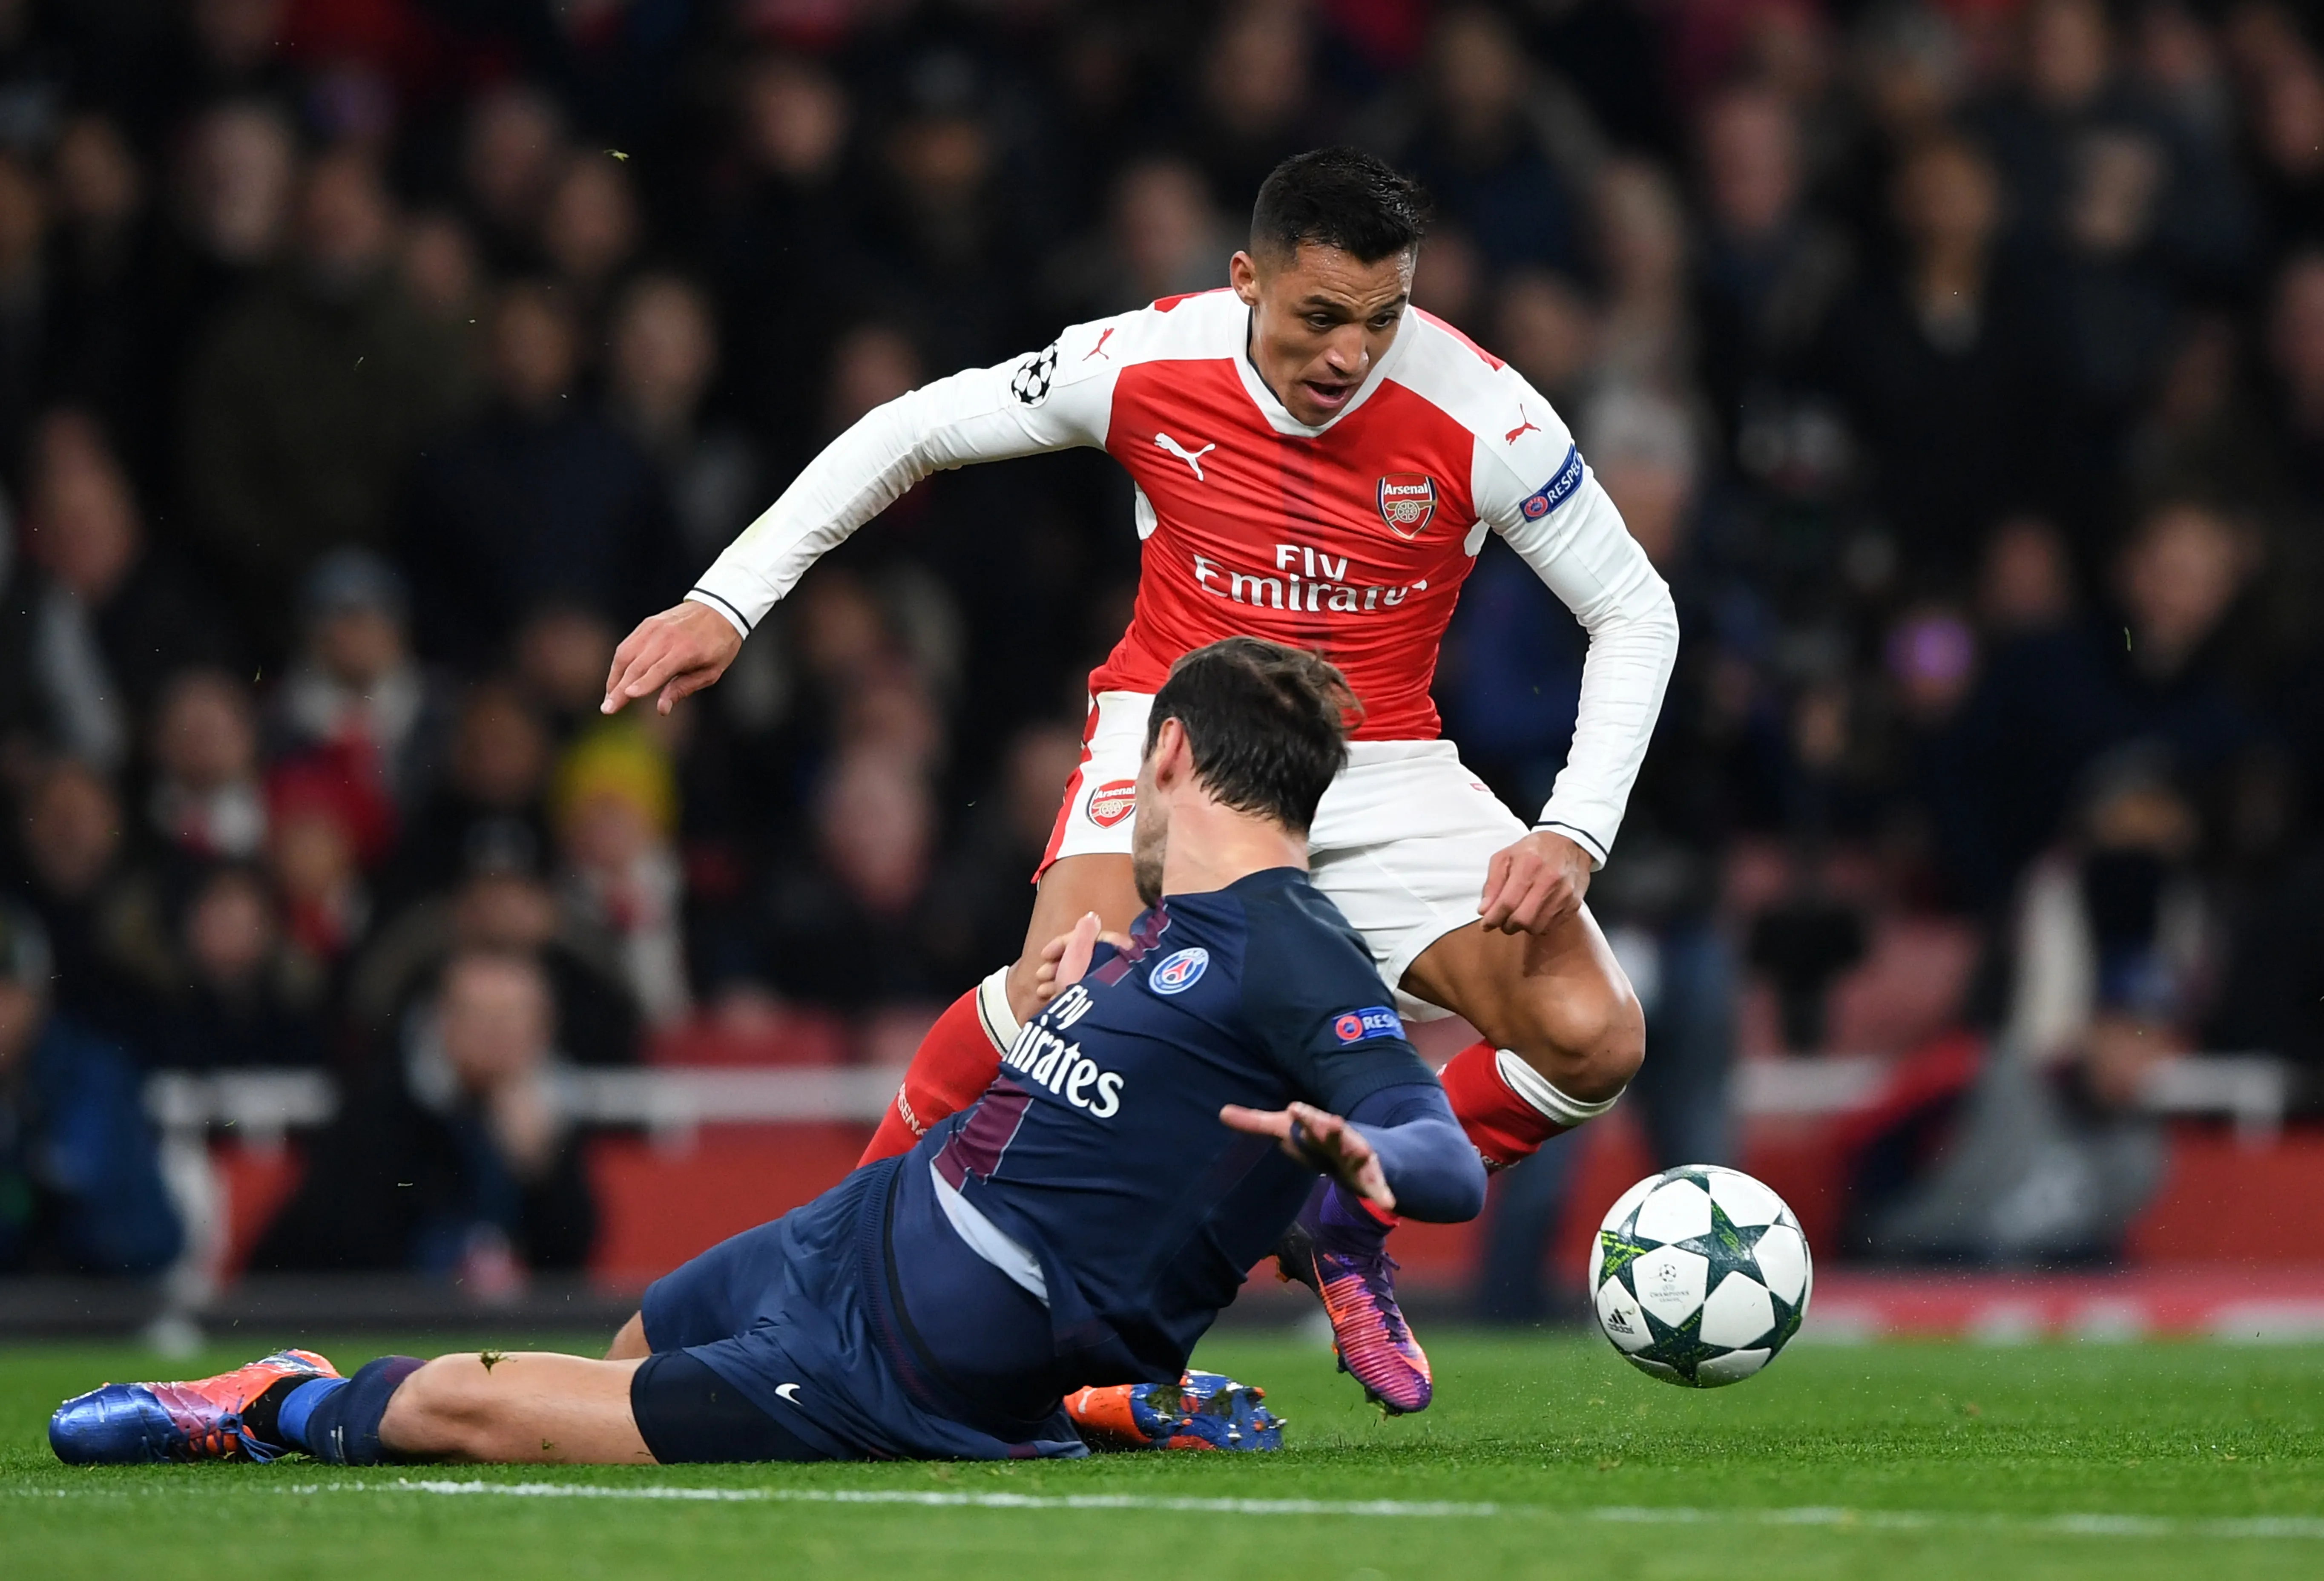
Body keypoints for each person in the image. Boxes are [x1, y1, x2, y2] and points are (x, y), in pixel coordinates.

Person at [600, 148, 1678, 1412]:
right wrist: (729, 599)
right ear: (1246, 280)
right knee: (1059, 1001)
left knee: (1594, 1036)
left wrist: (1573, 832)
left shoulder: (1488, 416)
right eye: (1320, 317)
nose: (1349, 355)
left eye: (1382, 319)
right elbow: (915, 428)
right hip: (1181, 741)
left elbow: (1635, 609)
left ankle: (1341, 1217)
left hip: (1377, 762)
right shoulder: (1146, 358)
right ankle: (832, 1274)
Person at [51, 639, 1486, 1466]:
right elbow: (1141, 1137)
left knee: (462, 1409)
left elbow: (1439, 1153)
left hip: (899, 1371)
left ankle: (273, 1403)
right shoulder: (1175, 935)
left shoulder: (1294, 945)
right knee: (623, 1349)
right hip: (856, 1233)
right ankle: (1097, 1409)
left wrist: (1364, 1164)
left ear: (1162, 754)